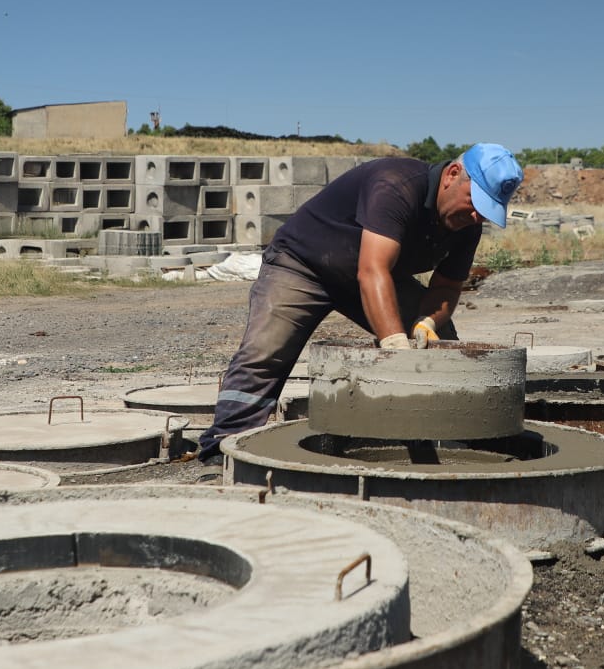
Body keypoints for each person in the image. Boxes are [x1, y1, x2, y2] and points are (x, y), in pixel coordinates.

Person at [194, 142, 524, 461]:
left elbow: (448, 286)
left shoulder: (467, 225)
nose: (477, 216)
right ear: (452, 175)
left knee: (442, 343)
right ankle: (222, 449)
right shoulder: (397, 185)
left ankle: (434, 439)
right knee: (265, 354)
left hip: (369, 275)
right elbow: (372, 271)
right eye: (475, 202)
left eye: (486, 210)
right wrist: (395, 345)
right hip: (303, 265)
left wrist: (427, 322)